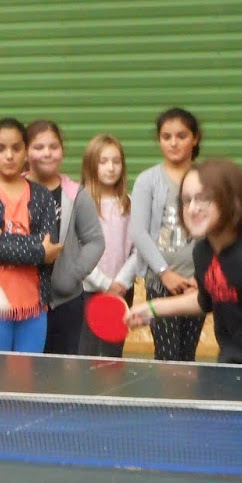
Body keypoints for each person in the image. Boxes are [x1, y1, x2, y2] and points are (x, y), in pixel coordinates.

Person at [125, 158, 242, 369]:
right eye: (186, 200)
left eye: (203, 198)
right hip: (232, 365)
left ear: (231, 200)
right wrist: (152, 308)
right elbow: (205, 300)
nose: (192, 209)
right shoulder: (203, 252)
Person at [0, 118, 62, 353]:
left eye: (16, 148)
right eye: (0, 148)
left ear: (26, 150)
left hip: (34, 303)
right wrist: (37, 249)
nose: (9, 156)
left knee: (29, 372)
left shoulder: (42, 196)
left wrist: (3, 238)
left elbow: (50, 248)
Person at [128, 108, 206, 361]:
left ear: (195, 138)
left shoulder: (206, 178)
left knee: (187, 354)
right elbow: (139, 232)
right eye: (166, 136)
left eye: (181, 136)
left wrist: (202, 276)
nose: (173, 143)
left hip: (196, 284)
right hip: (161, 283)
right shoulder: (147, 180)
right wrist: (164, 273)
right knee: (167, 355)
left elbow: (214, 230)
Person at [24, 121, 104, 355]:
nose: (47, 153)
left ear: (62, 150)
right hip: (24, 301)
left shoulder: (76, 194)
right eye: (38, 147)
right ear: (25, 151)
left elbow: (95, 240)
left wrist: (73, 275)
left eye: (53, 146)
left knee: (62, 369)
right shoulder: (14, 190)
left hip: (65, 303)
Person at [77, 134, 138, 358]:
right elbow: (77, 253)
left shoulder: (130, 203)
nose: (111, 168)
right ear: (91, 165)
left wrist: (121, 282)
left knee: (112, 357)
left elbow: (138, 249)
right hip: (88, 292)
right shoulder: (80, 204)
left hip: (121, 291)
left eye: (116, 161)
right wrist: (104, 283)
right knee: (87, 355)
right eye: (103, 162)